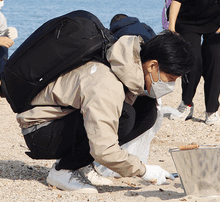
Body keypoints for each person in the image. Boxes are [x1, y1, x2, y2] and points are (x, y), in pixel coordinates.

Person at [18, 32, 193, 193]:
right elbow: (104, 149)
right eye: (170, 79)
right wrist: (144, 171)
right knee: (125, 117)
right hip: (40, 131)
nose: (170, 86)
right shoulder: (106, 84)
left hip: (64, 120)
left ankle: (81, 162)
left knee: (146, 109)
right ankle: (63, 171)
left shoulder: (127, 65)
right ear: (152, 65)